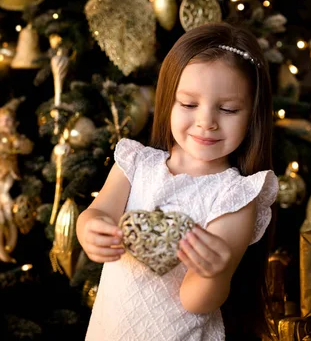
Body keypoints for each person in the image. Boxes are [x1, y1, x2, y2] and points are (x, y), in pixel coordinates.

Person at [77, 22, 279, 341]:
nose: (206, 122)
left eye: (227, 109)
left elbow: (194, 301)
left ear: (252, 114)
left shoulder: (236, 197)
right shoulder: (136, 164)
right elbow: (97, 212)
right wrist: (90, 230)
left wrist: (213, 273)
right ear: (168, 102)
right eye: (188, 104)